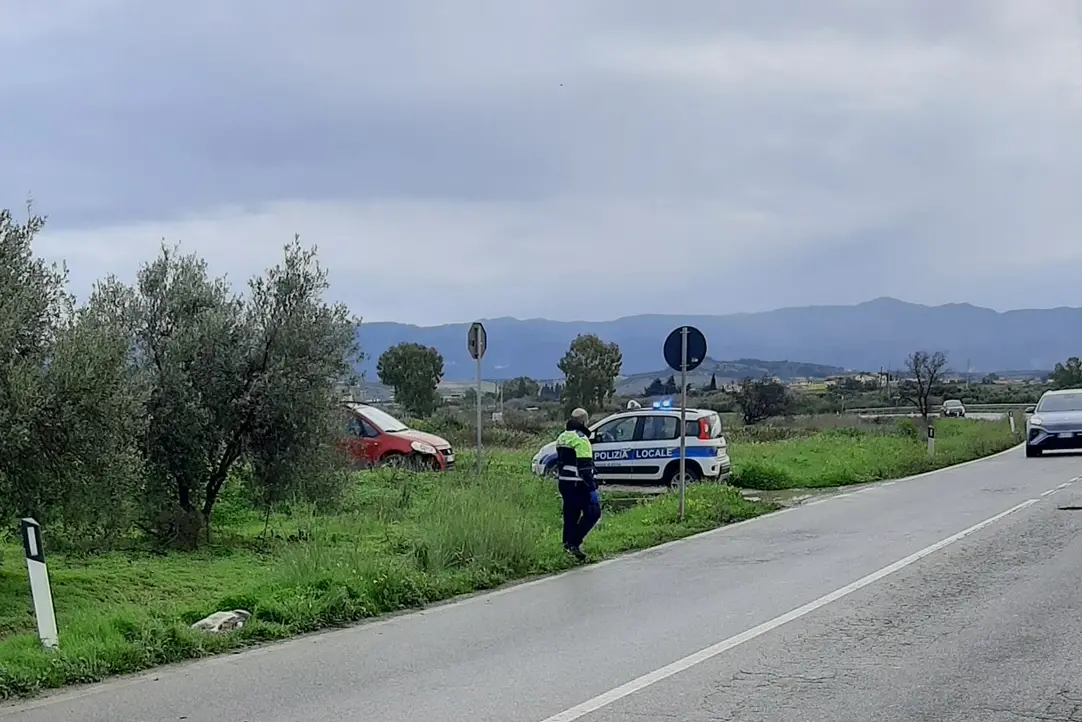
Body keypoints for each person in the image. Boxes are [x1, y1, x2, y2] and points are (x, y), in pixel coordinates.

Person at [555, 407, 601, 561]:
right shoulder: (581, 439)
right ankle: (574, 543)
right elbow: (585, 467)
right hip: (578, 483)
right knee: (593, 513)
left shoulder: (562, 437)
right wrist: (592, 488)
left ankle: (567, 546)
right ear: (583, 421)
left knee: (571, 515)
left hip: (564, 483)